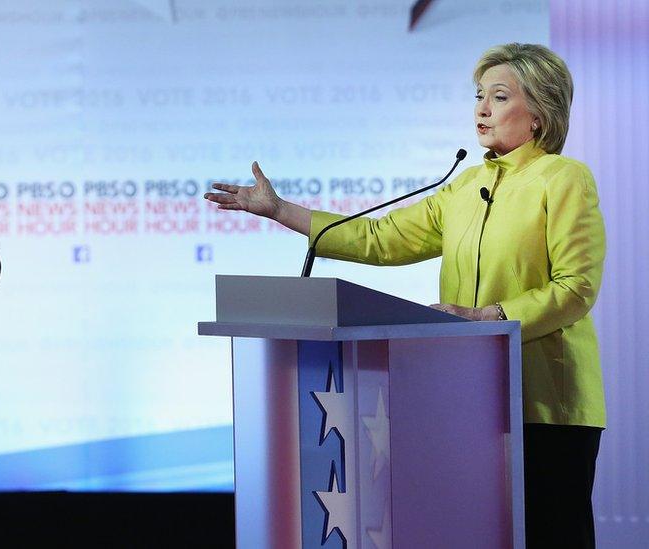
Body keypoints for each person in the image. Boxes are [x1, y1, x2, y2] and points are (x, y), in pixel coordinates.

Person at [204, 43, 605, 548]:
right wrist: (281, 210)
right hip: (470, 396)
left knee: (552, 534)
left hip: (545, 401)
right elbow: (379, 238)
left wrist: (491, 316)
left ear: (540, 113)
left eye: (499, 97)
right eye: (479, 95)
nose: (482, 107)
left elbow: (576, 287)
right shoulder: (464, 186)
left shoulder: (563, 178)